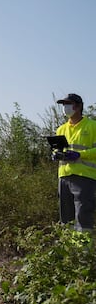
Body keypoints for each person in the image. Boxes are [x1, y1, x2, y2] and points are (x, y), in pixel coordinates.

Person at [55, 93, 96, 232]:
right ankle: (69, 252)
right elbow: (59, 149)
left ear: (78, 106)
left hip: (85, 177)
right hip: (64, 176)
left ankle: (83, 252)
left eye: (68, 104)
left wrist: (80, 155)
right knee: (66, 219)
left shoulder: (92, 126)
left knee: (82, 216)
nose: (65, 107)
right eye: (63, 104)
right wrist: (56, 154)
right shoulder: (61, 129)